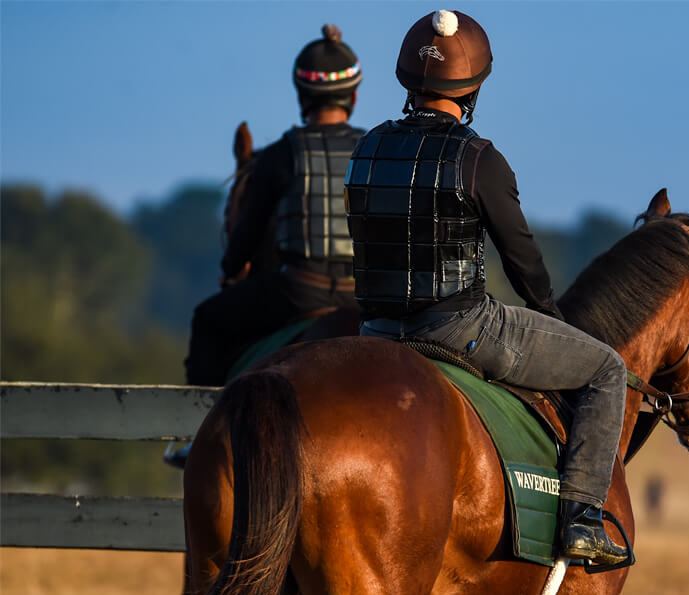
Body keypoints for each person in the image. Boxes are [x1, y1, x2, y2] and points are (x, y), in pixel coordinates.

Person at [346, 10, 628, 566]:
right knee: (607, 371)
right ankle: (582, 521)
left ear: (407, 80)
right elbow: (522, 259)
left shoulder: (366, 150)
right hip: (460, 327)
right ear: (472, 88)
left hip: (374, 332)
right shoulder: (480, 159)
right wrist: (550, 313)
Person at [184, 25, 366, 386]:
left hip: (297, 293)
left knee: (207, 319)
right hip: (365, 295)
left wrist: (231, 268)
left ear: (302, 96)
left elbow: (247, 236)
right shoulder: (376, 150)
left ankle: (195, 432)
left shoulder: (282, 153)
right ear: (353, 96)